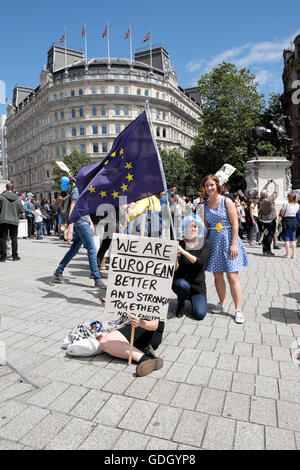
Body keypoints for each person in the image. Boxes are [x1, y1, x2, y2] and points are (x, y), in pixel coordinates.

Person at [202, 174, 249, 324]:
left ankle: (238, 309)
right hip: (214, 242)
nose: (209, 188)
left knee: (232, 276)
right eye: (207, 185)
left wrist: (234, 244)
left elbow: (235, 223)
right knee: (217, 275)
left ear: (218, 186)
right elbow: (206, 227)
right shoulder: (205, 204)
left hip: (229, 241)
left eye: (212, 185)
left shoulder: (226, 201)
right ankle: (222, 303)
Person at [51, 182, 106, 289]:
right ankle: (97, 279)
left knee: (74, 250)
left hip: (84, 221)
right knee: (92, 249)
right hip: (80, 221)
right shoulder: (77, 189)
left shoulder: (84, 188)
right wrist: (70, 229)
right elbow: (73, 207)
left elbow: (85, 208)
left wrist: (90, 222)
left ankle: (58, 272)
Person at [98, 313, 164, 376]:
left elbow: (154, 325)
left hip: (149, 331)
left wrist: (140, 322)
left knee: (105, 341)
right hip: (133, 325)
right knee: (102, 337)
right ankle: (142, 349)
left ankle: (146, 359)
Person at [172, 215, 210, 320]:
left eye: (195, 226)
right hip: (181, 281)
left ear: (200, 228)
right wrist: (174, 256)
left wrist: (183, 252)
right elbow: (175, 269)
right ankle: (181, 303)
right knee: (182, 285)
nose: (193, 228)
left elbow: (200, 263)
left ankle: (192, 298)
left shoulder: (205, 243)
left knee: (199, 315)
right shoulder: (179, 243)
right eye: (190, 226)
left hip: (198, 286)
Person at [0, 183, 24, 262]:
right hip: (14, 220)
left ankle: (3, 257)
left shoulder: (1, 197)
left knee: (2, 238)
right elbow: (21, 210)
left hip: (3, 219)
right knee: (14, 238)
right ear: (13, 189)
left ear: (6, 188)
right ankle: (15, 256)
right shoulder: (17, 198)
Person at [258, 179, 279, 256]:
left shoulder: (260, 200)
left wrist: (267, 184)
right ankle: (268, 250)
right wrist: (275, 184)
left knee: (265, 235)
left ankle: (264, 250)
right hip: (271, 220)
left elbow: (261, 192)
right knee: (270, 235)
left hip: (263, 220)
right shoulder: (270, 200)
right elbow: (276, 193)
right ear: (267, 194)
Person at [281, 192, 299, 259]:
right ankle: (293, 255)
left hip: (286, 221)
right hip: (294, 221)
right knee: (293, 239)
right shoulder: (297, 205)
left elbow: (282, 213)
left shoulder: (285, 204)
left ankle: (287, 254)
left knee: (287, 239)